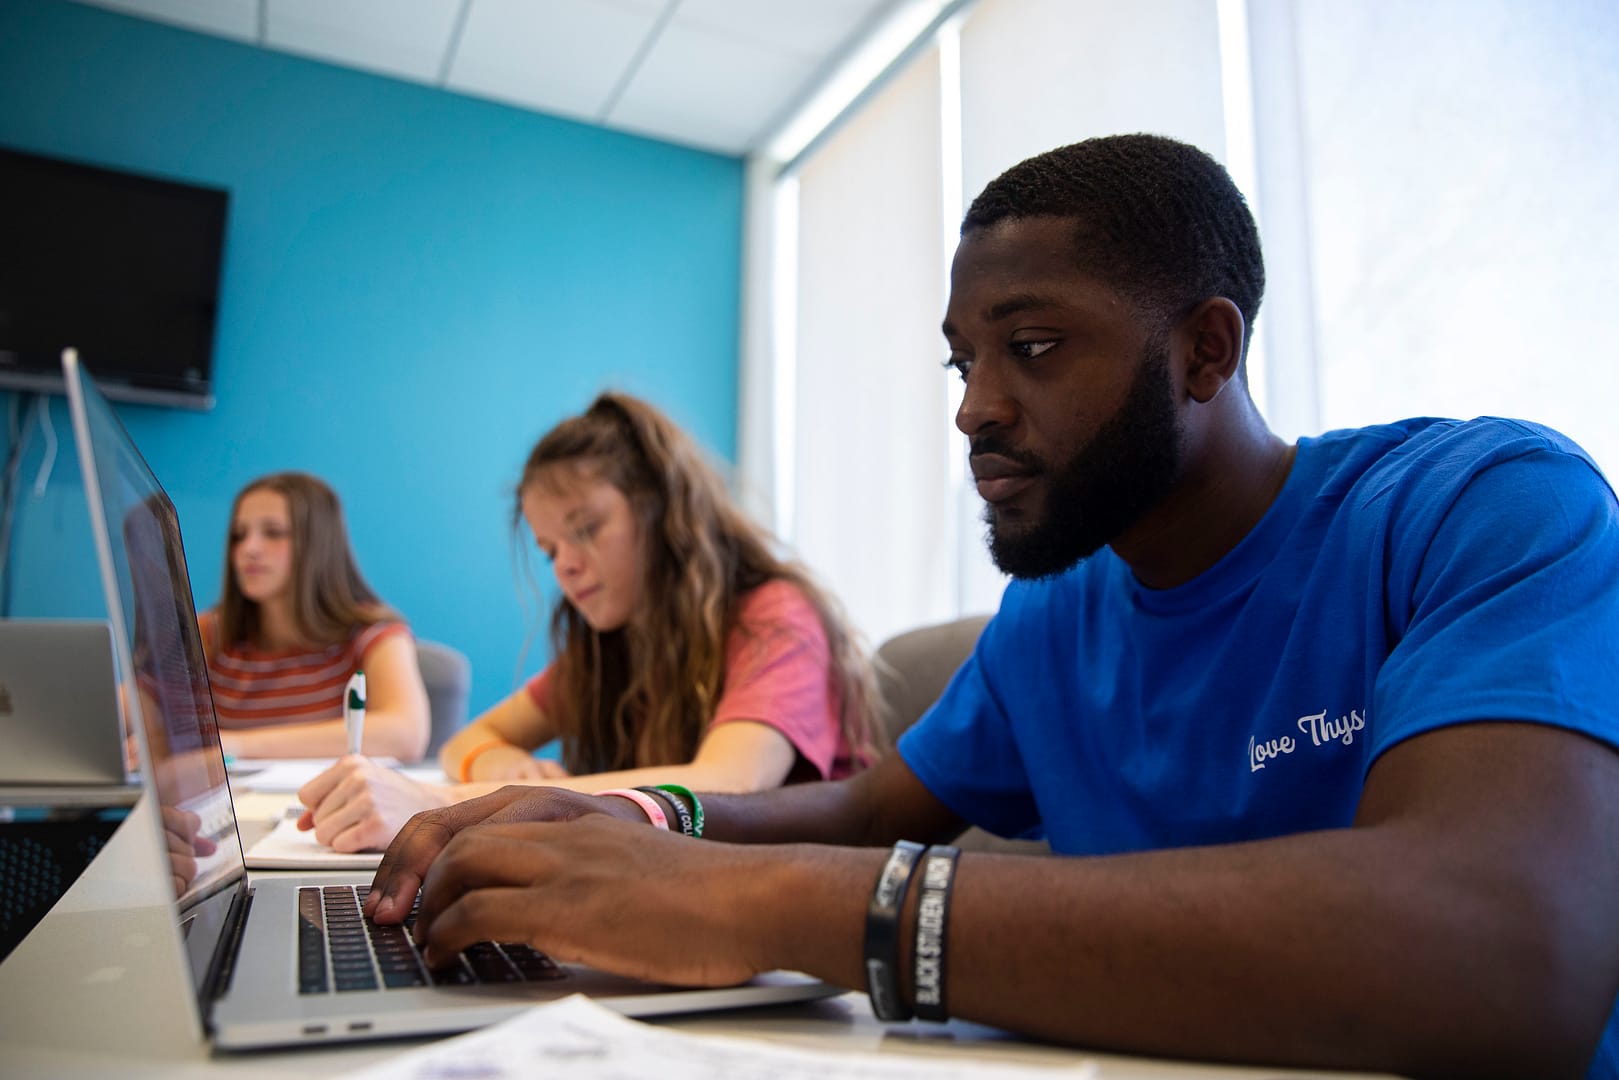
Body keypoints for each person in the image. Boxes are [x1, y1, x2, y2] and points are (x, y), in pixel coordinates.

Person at [362, 135, 1619, 1079]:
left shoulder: (1481, 506)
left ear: (1203, 352)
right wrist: (636, 815)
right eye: (963, 360)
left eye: (1030, 347)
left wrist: (759, 904)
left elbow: (1512, 952)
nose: (971, 408)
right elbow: (864, 809)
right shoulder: (1060, 604)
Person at [294, 392, 883, 853]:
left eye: (585, 529)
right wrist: (498, 763)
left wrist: (445, 802)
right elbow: (469, 741)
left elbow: (727, 783)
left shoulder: (775, 619)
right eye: (551, 550)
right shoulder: (614, 642)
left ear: (663, 510)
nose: (567, 566)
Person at [200, 471, 430, 761]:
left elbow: (405, 736)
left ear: (318, 543)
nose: (249, 548)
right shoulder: (208, 635)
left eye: (273, 532)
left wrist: (232, 746)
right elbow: (131, 721)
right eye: (239, 535)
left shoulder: (373, 633)